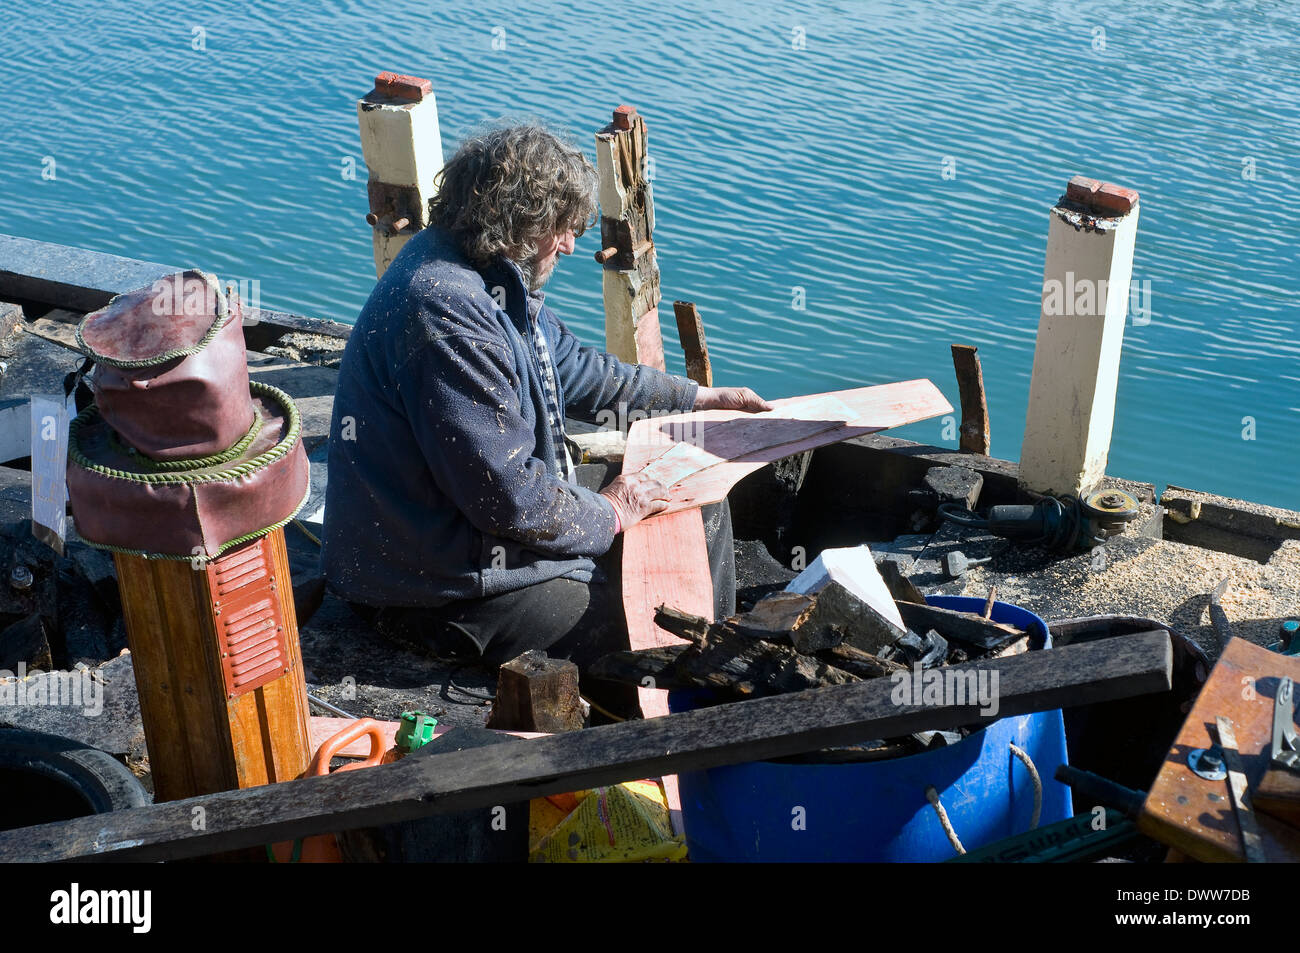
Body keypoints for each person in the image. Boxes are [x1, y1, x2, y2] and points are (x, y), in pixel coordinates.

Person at [321, 122, 769, 693]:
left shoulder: (485, 272)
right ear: (518, 223)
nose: (570, 245)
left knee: (695, 498)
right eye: (562, 229)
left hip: (461, 528)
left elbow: (577, 369)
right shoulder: (448, 313)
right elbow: (507, 497)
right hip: (433, 585)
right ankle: (690, 696)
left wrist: (698, 398)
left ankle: (708, 655)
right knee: (653, 631)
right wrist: (612, 511)